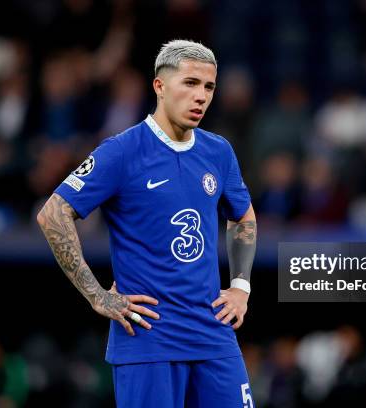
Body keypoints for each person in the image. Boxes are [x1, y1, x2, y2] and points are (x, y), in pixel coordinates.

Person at [36, 39, 257, 408]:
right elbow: (53, 214)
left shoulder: (218, 151)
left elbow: (243, 216)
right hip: (148, 340)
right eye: (190, 83)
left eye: (209, 87)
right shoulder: (121, 151)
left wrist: (241, 287)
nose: (201, 96)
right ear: (159, 85)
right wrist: (97, 296)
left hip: (213, 336)